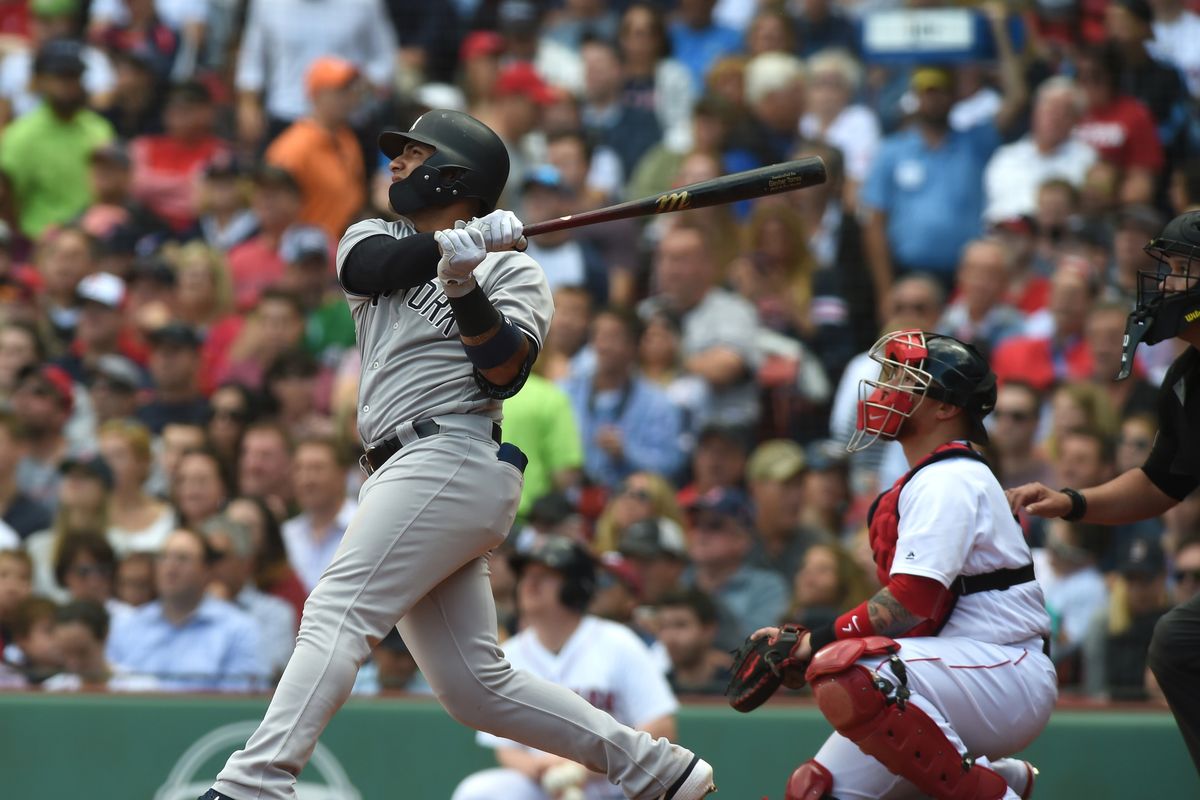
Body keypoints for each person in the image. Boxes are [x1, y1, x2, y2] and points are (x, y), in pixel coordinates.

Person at [199, 109, 714, 800]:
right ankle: (657, 769)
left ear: (455, 173)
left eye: (412, 155)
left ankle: (254, 784)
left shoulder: (516, 271)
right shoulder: (374, 234)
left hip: (450, 454)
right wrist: (450, 247)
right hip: (398, 469)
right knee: (476, 689)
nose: (395, 166)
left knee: (338, 611)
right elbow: (369, 266)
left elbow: (503, 373)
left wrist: (469, 284)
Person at [759, 330, 1053, 800]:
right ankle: (997, 775)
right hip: (954, 672)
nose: (885, 389)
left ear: (945, 407)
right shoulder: (932, 476)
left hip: (1005, 669)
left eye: (904, 380)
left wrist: (816, 641)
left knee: (859, 669)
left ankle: (995, 789)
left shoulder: (951, 478)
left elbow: (910, 604)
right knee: (817, 791)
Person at [1007, 210, 1200, 777]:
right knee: (1179, 641)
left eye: (1183, 270)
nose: (1166, 285)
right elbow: (1162, 482)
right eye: (1168, 271)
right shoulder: (1187, 379)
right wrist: (1074, 501)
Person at [107, 527, 265, 692]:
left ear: (206, 570)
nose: (170, 567)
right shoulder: (127, 626)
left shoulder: (239, 630)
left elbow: (240, 703)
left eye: (182, 559)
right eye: (163, 557)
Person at [654, 587, 731, 695]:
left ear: (708, 630)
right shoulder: (656, 689)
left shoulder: (740, 687)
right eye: (663, 626)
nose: (670, 637)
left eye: (680, 625)